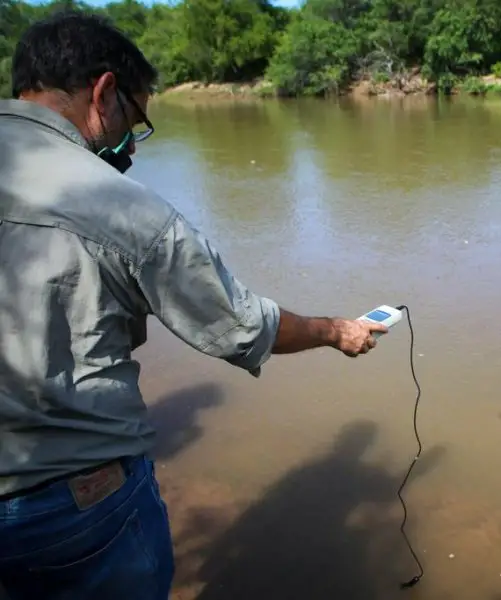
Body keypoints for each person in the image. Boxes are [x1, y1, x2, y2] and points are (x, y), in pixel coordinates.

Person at [0, 10, 388, 600]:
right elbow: (238, 325)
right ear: (104, 92)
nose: (132, 140)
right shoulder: (117, 205)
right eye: (135, 119)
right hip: (70, 503)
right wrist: (336, 331)